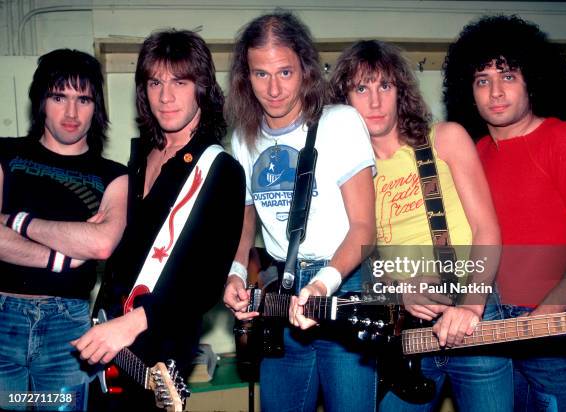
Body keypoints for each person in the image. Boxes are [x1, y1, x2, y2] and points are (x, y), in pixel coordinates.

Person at [329, 40, 511, 411]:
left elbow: (487, 230)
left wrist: (472, 307)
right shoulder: (347, 173)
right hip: (406, 329)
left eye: (385, 86)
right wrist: (398, 291)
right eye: (361, 88)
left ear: (401, 91)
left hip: (474, 313)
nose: (375, 101)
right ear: (344, 101)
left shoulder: (444, 138)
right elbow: (363, 262)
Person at [443, 15, 566, 411]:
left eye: (508, 76)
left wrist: (540, 320)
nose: (495, 92)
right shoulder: (475, 153)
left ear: (532, 80)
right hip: (493, 327)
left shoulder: (565, 140)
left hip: (558, 331)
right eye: (482, 80)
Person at [71, 30, 245, 410]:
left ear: (201, 88)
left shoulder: (220, 170)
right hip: (107, 341)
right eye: (155, 82)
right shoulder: (139, 158)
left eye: (179, 82)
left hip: (157, 352)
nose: (165, 96)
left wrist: (130, 324)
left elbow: (205, 282)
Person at [222, 10, 378, 412]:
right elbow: (245, 220)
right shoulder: (242, 138)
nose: (274, 89)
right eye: (261, 74)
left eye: (285, 73)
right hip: (281, 293)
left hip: (342, 285)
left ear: (306, 70)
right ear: (245, 77)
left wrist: (323, 284)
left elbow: (364, 227)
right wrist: (237, 272)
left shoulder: (341, 122)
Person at [0, 49, 128, 411]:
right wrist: (61, 256)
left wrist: (17, 221)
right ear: (42, 101)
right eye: (59, 97)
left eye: (83, 99)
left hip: (66, 328)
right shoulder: (6, 154)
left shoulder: (113, 175)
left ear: (96, 107)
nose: (71, 113)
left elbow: (102, 244)